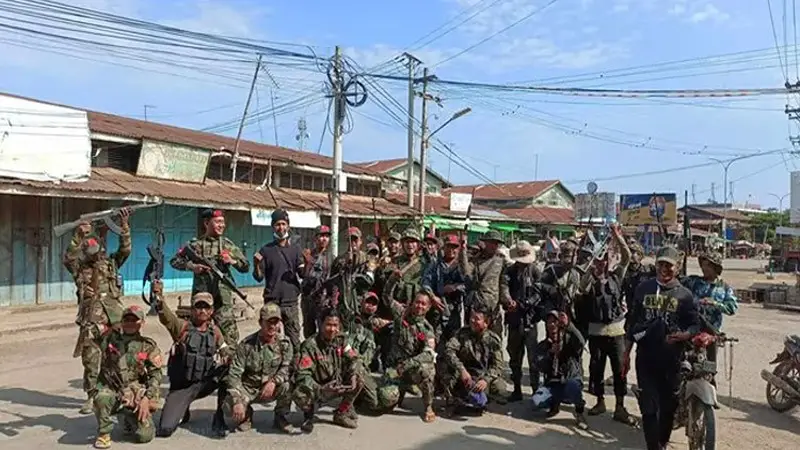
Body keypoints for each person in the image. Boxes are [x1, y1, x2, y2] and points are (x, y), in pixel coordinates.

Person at [625, 246, 700, 450]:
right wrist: (626, 354)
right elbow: (632, 323)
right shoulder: (643, 288)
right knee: (648, 408)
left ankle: (662, 441)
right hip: (646, 358)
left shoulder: (685, 295)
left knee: (669, 407)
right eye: (661, 264)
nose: (664, 269)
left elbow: (694, 324)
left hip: (672, 360)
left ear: (677, 268)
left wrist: (685, 334)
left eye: (669, 265)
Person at [63, 208, 131, 415]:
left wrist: (124, 225)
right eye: (89, 248)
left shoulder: (111, 263)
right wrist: (78, 235)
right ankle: (92, 396)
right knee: (91, 358)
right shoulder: (79, 268)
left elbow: (125, 250)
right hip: (91, 317)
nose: (96, 252)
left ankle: (119, 394)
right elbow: (68, 258)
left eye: (97, 248)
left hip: (115, 317)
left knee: (117, 357)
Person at [153, 282, 231, 437]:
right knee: (166, 429)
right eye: (198, 307)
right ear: (192, 309)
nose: (202, 311)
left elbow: (225, 349)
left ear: (211, 311)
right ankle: (183, 407)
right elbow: (165, 315)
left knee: (228, 372)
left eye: (206, 307)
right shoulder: (181, 327)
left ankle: (219, 418)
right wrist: (159, 296)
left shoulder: (215, 331)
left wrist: (229, 357)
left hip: (203, 383)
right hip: (182, 387)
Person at [578, 224, 636, 425]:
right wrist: (590, 269)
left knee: (619, 370)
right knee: (596, 370)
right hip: (596, 333)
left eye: (603, 260)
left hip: (616, 332)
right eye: (597, 261)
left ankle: (620, 406)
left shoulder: (616, 276)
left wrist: (617, 237)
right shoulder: (589, 279)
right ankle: (600, 402)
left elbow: (627, 257)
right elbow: (581, 288)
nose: (600, 264)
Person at [170, 209, 250, 347]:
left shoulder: (227, 244)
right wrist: (192, 266)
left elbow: (246, 266)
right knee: (196, 335)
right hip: (201, 300)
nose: (222, 225)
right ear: (207, 223)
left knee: (230, 338)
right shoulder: (194, 245)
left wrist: (232, 261)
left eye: (223, 223)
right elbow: (174, 261)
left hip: (222, 300)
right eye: (218, 222)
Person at [92, 305, 163, 449]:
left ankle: (128, 416)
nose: (130, 323)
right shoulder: (109, 340)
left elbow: (156, 374)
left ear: (142, 323)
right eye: (127, 319)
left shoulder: (147, 345)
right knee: (102, 397)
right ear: (121, 322)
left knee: (144, 436)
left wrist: (146, 398)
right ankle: (104, 433)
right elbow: (93, 326)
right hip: (114, 389)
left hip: (136, 393)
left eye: (134, 320)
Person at [221, 303, 293, 435]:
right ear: (260, 322)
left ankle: (280, 417)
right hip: (248, 388)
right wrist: (237, 401)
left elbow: (287, 368)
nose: (272, 326)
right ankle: (247, 415)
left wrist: (273, 382)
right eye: (268, 322)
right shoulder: (246, 345)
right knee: (228, 406)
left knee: (288, 385)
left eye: (275, 322)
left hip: (270, 388)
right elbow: (234, 374)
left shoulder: (285, 343)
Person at [293, 308, 363, 432]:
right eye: (328, 325)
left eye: (335, 325)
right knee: (299, 392)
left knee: (359, 377)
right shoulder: (310, 346)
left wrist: (353, 375)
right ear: (320, 324)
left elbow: (354, 359)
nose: (332, 329)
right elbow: (303, 376)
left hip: (337, 384)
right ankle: (308, 416)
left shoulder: (341, 340)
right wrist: (321, 389)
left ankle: (342, 412)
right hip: (319, 388)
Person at [376, 290, 438, 423]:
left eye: (423, 304)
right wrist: (393, 279)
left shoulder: (427, 329)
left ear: (428, 307)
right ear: (412, 302)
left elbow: (429, 353)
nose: (419, 306)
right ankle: (401, 390)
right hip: (394, 369)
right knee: (386, 398)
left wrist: (408, 364)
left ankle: (428, 406)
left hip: (410, 369)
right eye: (417, 302)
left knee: (427, 370)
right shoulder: (401, 313)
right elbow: (386, 296)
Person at [252, 208, 306, 350]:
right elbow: (258, 277)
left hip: (290, 302)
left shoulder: (296, 250)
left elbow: (302, 274)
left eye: (283, 224)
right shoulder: (266, 250)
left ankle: (294, 369)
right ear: (272, 227)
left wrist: (308, 264)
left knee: (294, 339)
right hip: (272, 302)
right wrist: (256, 264)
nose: (281, 227)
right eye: (277, 224)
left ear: (288, 226)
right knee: (270, 337)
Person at [440, 305, 508, 416]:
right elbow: (449, 350)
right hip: (464, 375)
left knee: (500, 388)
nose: (472, 321)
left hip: (482, 376)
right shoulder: (462, 334)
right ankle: (453, 400)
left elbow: (498, 366)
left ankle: (482, 402)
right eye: (471, 317)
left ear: (486, 322)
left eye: (477, 319)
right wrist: (462, 370)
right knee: (444, 366)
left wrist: (486, 380)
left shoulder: (493, 339)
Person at [532, 310, 588, 430]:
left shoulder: (569, 340)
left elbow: (581, 342)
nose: (552, 325)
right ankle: (554, 405)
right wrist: (550, 354)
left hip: (569, 379)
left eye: (555, 322)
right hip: (554, 383)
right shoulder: (543, 345)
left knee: (573, 386)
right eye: (549, 322)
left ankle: (579, 412)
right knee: (537, 401)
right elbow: (538, 365)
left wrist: (569, 326)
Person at [681, 251, 737, 366]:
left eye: (708, 266)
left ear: (716, 268)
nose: (704, 268)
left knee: (709, 369)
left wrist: (716, 303)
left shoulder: (724, 288)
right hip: (690, 331)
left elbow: (732, 308)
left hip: (711, 334)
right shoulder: (693, 282)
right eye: (703, 265)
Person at [505, 240, 543, 401]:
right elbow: (503, 287)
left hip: (530, 319)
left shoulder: (535, 270)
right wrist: (508, 301)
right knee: (515, 357)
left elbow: (540, 291)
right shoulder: (510, 271)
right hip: (514, 320)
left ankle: (535, 390)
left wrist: (527, 303)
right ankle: (517, 389)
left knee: (533, 358)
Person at [459, 230, 517, 336]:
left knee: (494, 340)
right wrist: (462, 250)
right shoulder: (476, 260)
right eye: (492, 242)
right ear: (485, 243)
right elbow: (466, 272)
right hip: (476, 306)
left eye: (496, 243)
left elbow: (503, 284)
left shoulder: (501, 261)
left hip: (492, 308)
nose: (494, 246)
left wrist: (507, 299)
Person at [422, 234, 468, 345]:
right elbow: (425, 282)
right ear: (444, 248)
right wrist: (433, 297)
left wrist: (455, 287)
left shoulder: (461, 265)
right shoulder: (435, 265)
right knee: (435, 342)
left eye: (454, 247)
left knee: (453, 342)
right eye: (449, 246)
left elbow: (468, 283)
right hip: (437, 309)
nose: (451, 250)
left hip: (454, 311)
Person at [300, 225, 332, 339]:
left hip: (323, 299)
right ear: (315, 238)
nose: (324, 239)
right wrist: (307, 263)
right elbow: (302, 275)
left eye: (326, 236)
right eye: (321, 236)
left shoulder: (331, 257)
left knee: (323, 328)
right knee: (308, 329)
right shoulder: (307, 254)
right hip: (308, 298)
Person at [382, 228, 425, 307]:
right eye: (407, 242)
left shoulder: (424, 264)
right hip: (398, 307)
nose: (410, 245)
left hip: (418, 307)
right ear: (402, 244)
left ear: (418, 244)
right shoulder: (394, 262)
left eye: (413, 242)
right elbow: (385, 286)